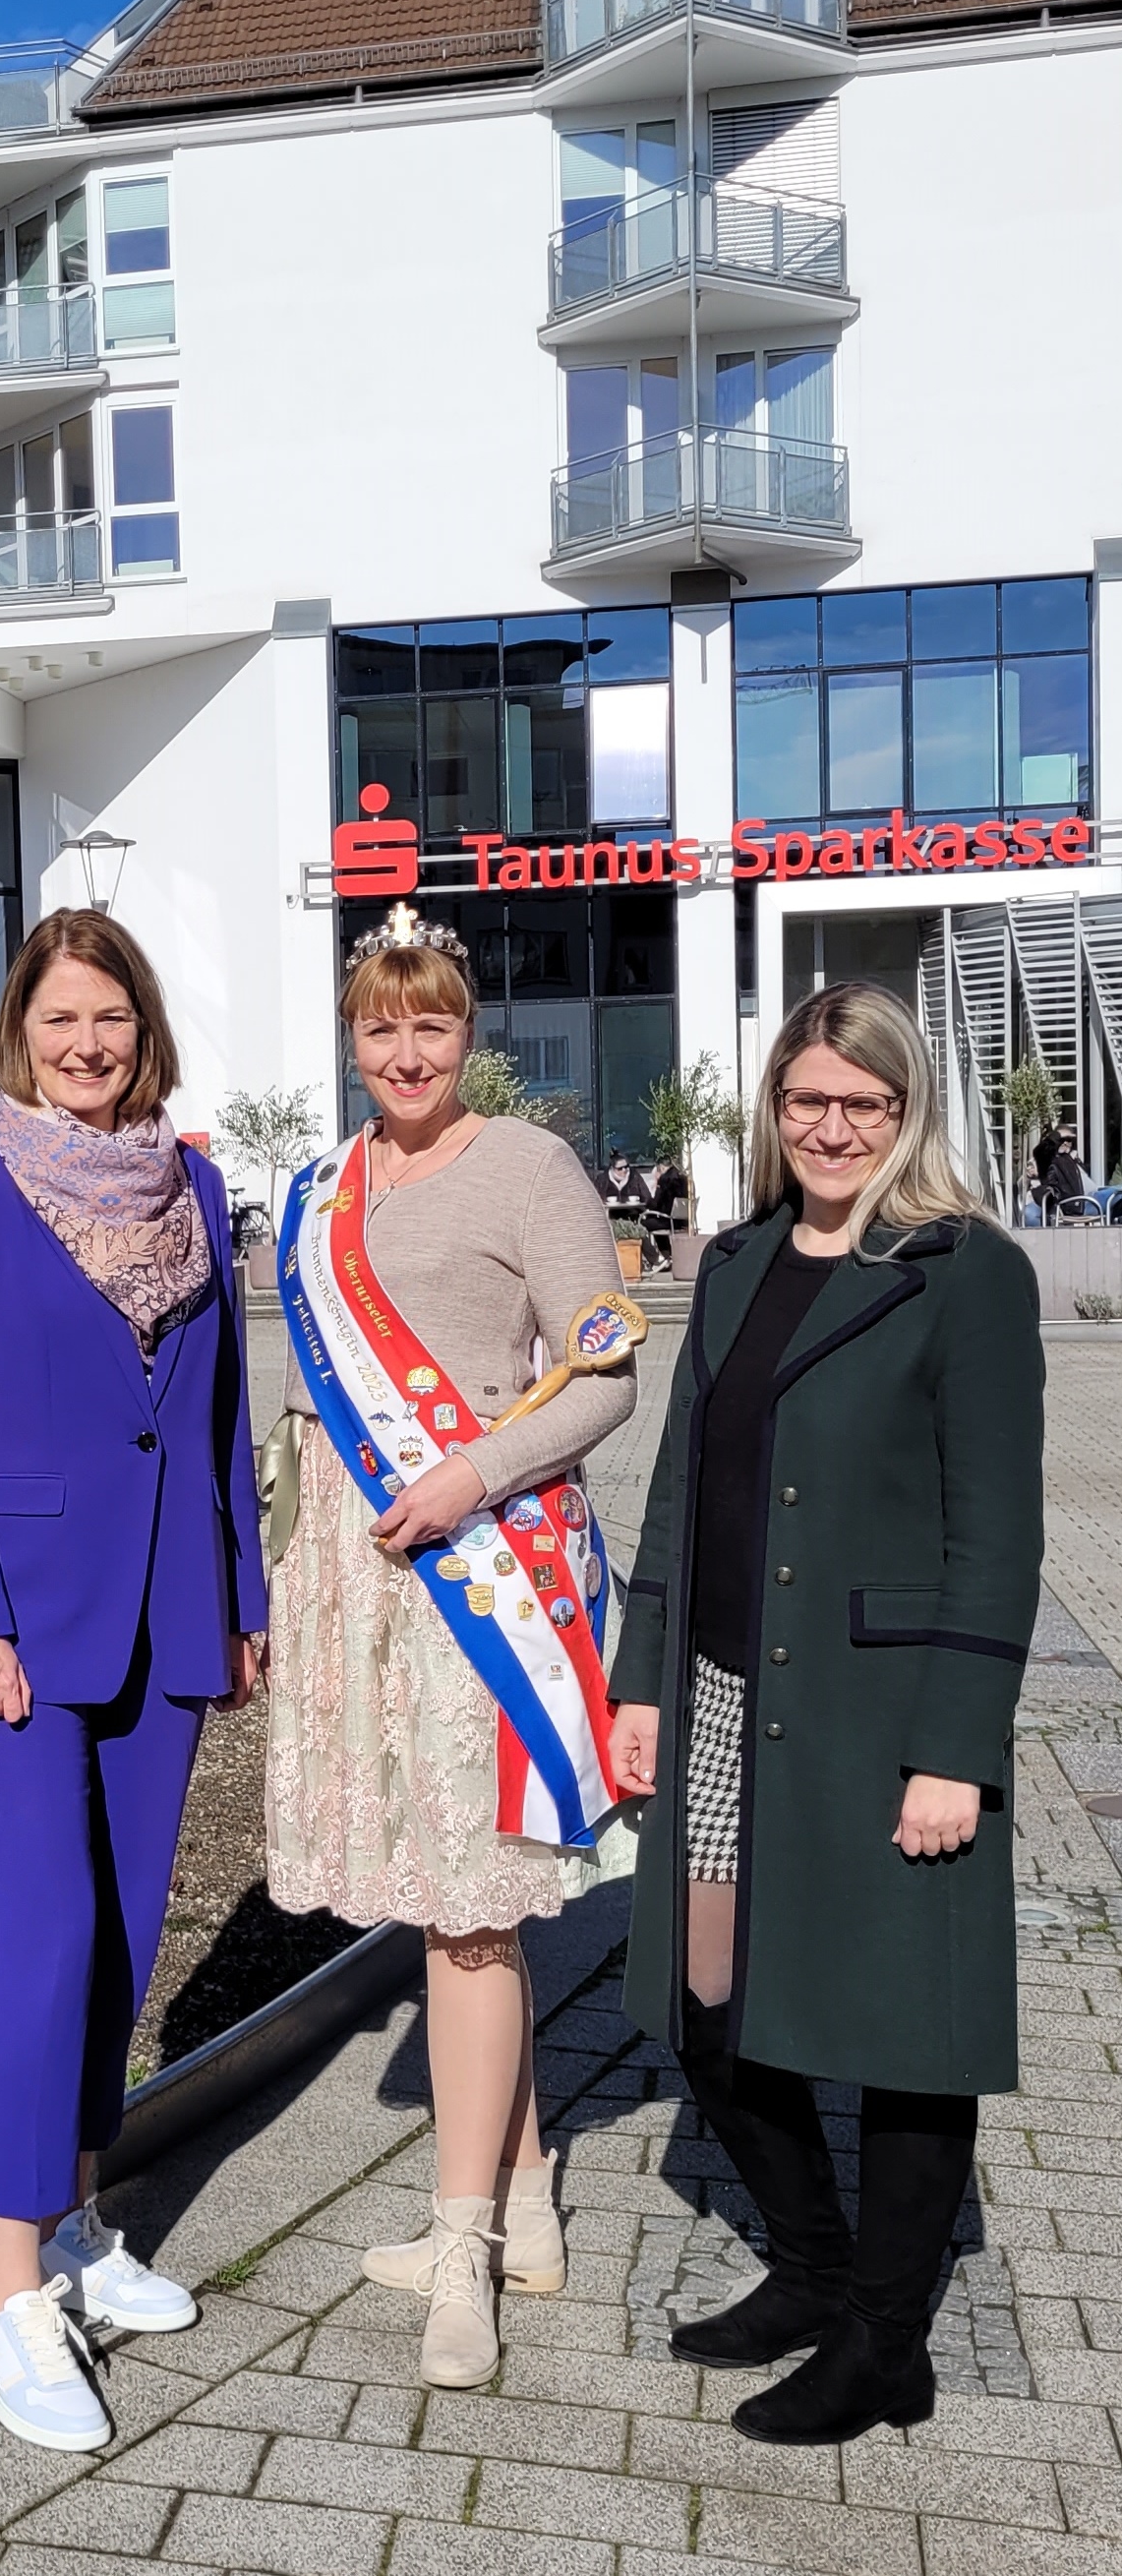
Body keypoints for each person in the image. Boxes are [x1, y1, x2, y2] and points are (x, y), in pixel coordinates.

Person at [609, 983, 1041, 2444]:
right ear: (774, 1108)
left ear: (905, 1111)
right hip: (721, 1693)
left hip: (884, 1711)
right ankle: (808, 2267)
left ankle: (887, 2343)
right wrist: (638, 1677)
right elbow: (679, 1489)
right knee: (704, 1999)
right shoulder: (734, 1262)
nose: (833, 1127)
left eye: (863, 1103)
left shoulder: (963, 1272)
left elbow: (998, 1536)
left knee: (910, 2030)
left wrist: (955, 1750)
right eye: (808, 1099)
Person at [0, 908, 266, 2455]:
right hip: (10, 1637)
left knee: (117, 1940)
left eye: (109, 1017)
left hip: (165, 1617)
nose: (86, 1044)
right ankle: (2, 2299)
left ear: (143, 1030)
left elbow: (219, 1414)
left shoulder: (194, 1187)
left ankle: (79, 2227)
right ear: (18, 1033)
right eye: (59, 1019)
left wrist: (239, 1597)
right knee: (37, 1942)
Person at [263, 918, 636, 2387]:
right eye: (380, 1027)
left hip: (478, 1580)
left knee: (472, 1915)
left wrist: (470, 1473)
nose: (406, 1054)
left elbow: (604, 1376)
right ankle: (527, 2205)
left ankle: (463, 2250)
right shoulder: (320, 1189)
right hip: (356, 1588)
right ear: (352, 1037)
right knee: (443, 1909)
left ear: (468, 1031)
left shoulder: (530, 1167)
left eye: (431, 1026)